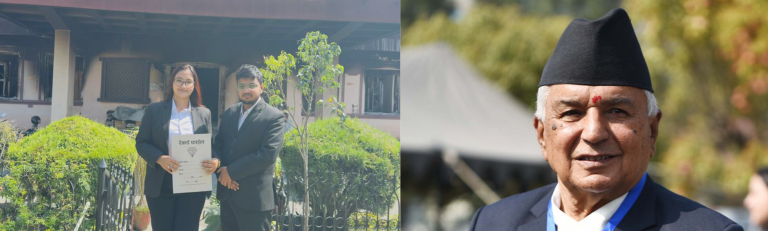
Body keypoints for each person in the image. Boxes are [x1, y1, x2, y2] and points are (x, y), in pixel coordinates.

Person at [469, 8, 742, 231]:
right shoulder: (493, 223)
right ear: (542, 134)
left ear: (652, 131)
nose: (594, 132)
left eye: (617, 112)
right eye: (571, 113)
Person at [136, 64, 220, 231]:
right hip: (162, 184)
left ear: (194, 85)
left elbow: (209, 146)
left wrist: (216, 160)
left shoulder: (204, 113)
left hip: (193, 185)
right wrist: (160, 159)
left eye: (188, 81)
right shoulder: (155, 110)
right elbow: (141, 142)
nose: (183, 85)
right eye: (179, 80)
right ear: (172, 83)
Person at [214, 64, 285, 231]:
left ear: (261, 87)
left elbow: (267, 155)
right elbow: (219, 144)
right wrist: (220, 170)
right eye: (241, 86)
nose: (246, 90)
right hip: (228, 195)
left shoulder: (274, 117)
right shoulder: (230, 113)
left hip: (254, 200)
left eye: (251, 85)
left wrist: (230, 172)